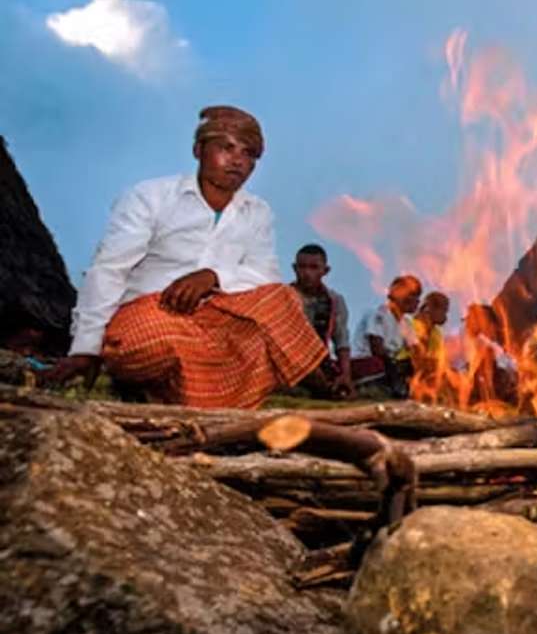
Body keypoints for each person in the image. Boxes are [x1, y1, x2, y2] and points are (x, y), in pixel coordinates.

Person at [44, 107, 326, 408]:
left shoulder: (257, 212)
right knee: (156, 339)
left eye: (249, 154)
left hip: (216, 322)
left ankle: (178, 393)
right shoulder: (150, 197)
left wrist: (212, 277)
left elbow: (265, 274)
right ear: (198, 150)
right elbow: (109, 270)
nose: (238, 161)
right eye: (227, 148)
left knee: (285, 300)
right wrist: (85, 347)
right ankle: (165, 385)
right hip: (151, 315)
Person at [292, 243, 354, 397]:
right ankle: (327, 389)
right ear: (295, 268)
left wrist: (346, 375)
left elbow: (341, 342)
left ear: (325, 271)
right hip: (290, 362)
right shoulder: (284, 297)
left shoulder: (335, 300)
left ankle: (335, 385)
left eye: (313, 268)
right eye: (302, 267)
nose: (306, 273)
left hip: (322, 362)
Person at [352, 275, 422, 397]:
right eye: (411, 295)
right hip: (366, 363)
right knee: (382, 364)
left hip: (389, 365)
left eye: (417, 296)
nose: (416, 300)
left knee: (411, 366)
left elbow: (417, 350)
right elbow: (377, 349)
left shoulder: (406, 323)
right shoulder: (377, 314)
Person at [410, 291, 450, 396]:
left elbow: (438, 360)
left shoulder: (437, 333)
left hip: (428, 375)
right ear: (429, 308)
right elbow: (416, 357)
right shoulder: (412, 325)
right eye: (444, 311)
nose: (446, 316)